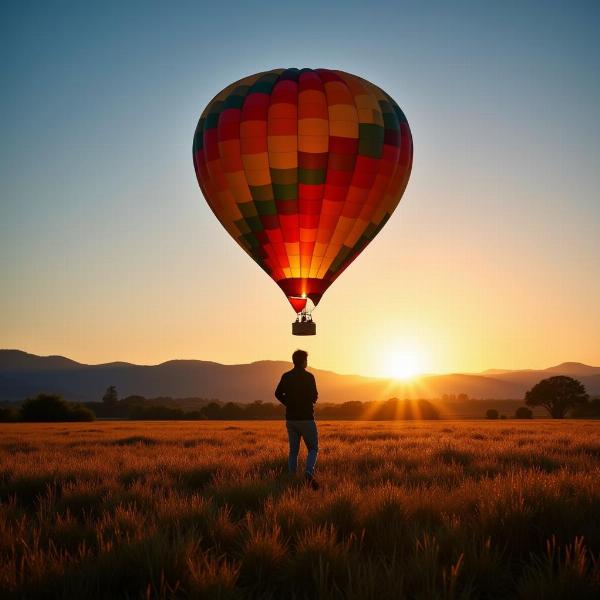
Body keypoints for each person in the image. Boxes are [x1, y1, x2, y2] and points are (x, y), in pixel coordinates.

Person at [274, 349, 319, 489]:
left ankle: (291, 477)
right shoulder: (309, 377)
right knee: (313, 448)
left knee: (293, 451)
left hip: (291, 419)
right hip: (306, 418)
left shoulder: (286, 376)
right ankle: (308, 472)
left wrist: (288, 402)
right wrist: (309, 400)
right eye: (307, 359)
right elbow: (314, 396)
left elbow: (277, 393)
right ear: (304, 361)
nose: (307, 362)